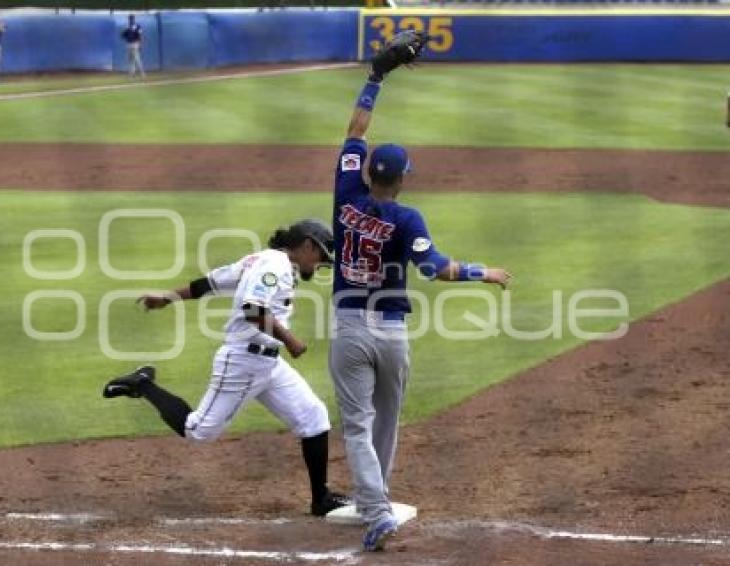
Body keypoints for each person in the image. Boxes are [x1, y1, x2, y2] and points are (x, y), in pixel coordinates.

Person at [329, 31, 512, 551]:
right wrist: (482, 273)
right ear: (404, 178)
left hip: (348, 329)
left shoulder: (345, 193)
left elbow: (354, 132)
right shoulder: (407, 218)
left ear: (367, 172)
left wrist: (374, 78)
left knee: (357, 424)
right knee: (386, 420)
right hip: (391, 333)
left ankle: (376, 506)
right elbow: (434, 270)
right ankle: (377, 501)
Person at [102, 219, 349, 517]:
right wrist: (291, 340)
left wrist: (166, 298)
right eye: (321, 255)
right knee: (198, 430)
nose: (321, 263)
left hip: (268, 363)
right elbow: (252, 308)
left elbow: (208, 284)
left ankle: (320, 499)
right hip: (242, 361)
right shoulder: (275, 265)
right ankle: (143, 384)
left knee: (314, 416)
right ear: (307, 245)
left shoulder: (259, 260)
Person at [120, 14, 145, 79]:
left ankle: (142, 73)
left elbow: (140, 35)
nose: (130, 20)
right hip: (129, 44)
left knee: (137, 59)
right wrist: (125, 31)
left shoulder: (137, 26)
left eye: (131, 19)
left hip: (135, 44)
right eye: (130, 19)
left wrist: (140, 44)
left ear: (134, 19)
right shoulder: (127, 26)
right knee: (131, 60)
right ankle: (132, 74)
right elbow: (122, 35)